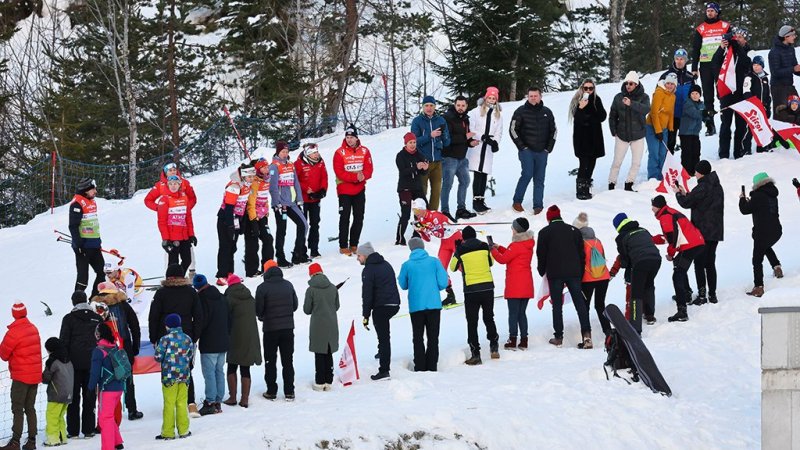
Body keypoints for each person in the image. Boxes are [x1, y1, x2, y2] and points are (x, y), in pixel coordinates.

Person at [149, 264, 203, 417]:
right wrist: (194, 336)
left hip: (165, 336)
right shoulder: (191, 292)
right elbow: (198, 316)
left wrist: (154, 338)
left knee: (168, 370)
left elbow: (153, 316)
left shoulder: (161, 293)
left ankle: (171, 404)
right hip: (186, 335)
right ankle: (190, 403)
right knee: (187, 369)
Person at [537, 206, 593, 349]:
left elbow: (541, 254)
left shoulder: (544, 232)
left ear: (549, 218)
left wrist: (541, 270)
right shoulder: (573, 231)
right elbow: (581, 254)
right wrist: (579, 272)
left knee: (557, 305)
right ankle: (587, 335)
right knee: (580, 304)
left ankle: (558, 337)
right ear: (560, 216)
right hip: (573, 272)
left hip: (555, 273)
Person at [91, 283, 143, 421]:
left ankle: (104, 414)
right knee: (127, 376)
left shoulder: (96, 307)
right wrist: (135, 346)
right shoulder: (122, 304)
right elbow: (134, 326)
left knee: (105, 380)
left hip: (103, 349)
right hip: (123, 347)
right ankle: (132, 409)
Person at [675, 160, 724, 304]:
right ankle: (712, 294)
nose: (694, 174)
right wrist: (687, 194)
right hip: (716, 230)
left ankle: (702, 295)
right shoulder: (717, 186)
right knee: (710, 263)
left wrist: (679, 194)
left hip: (702, 232)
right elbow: (699, 200)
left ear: (700, 172)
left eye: (696, 171)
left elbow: (686, 203)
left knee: (699, 263)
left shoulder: (702, 186)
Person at [651, 195, 706, 322]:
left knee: (677, 275)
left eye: (653, 206)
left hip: (690, 246)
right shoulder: (670, 212)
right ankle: (686, 294)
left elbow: (672, 239)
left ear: (657, 206)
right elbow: (670, 236)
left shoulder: (665, 216)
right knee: (678, 264)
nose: (651, 209)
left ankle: (682, 311)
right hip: (696, 242)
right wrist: (651, 239)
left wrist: (670, 254)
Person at [449, 226, 499, 364]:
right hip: (488, 287)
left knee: (472, 322)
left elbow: (452, 268)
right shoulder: (483, 246)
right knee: (489, 317)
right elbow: (491, 262)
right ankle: (494, 346)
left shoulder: (461, 249)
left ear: (463, 238)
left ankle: (475, 353)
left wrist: (457, 250)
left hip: (471, 289)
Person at [398, 237, 448, 371]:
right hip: (434, 305)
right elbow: (443, 282)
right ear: (423, 247)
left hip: (416, 306)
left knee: (418, 337)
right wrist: (433, 287)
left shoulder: (407, 265)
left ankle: (420, 366)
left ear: (411, 249)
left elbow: (403, 285)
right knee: (433, 337)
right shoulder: (434, 262)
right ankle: (432, 366)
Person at [59, 291, 102, 439]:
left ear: (73, 302)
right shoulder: (97, 318)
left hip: (73, 365)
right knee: (90, 396)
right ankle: (89, 429)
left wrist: (64, 360)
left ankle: (73, 430)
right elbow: (101, 340)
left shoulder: (69, 319)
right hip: (93, 363)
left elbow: (63, 341)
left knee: (74, 398)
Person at [144, 162, 198, 276]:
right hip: (170, 229)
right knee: (170, 256)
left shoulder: (184, 183)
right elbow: (148, 200)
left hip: (183, 227)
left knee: (188, 253)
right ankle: (170, 276)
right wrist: (160, 209)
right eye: (170, 171)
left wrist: (184, 208)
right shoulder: (160, 185)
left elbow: (192, 198)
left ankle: (189, 273)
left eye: (174, 170)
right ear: (165, 173)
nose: (173, 172)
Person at [0, 304, 42, 450]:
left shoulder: (14, 332)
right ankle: (32, 441)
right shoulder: (33, 328)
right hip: (35, 375)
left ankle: (15, 441)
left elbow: (3, 355)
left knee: (17, 408)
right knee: (30, 407)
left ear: (14, 314)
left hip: (20, 376)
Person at [255, 262, 298, 400]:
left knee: (270, 360)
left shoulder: (262, 288)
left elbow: (258, 310)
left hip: (270, 329)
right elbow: (295, 305)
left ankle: (271, 390)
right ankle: (289, 391)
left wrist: (263, 317)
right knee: (288, 361)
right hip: (287, 328)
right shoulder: (288, 285)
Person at [357, 242, 401, 380]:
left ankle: (384, 370)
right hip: (394, 304)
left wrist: (365, 315)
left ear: (365, 255)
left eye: (358, 256)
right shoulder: (386, 264)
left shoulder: (368, 270)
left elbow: (367, 294)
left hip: (382, 306)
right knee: (383, 335)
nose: (357, 258)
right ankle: (381, 352)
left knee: (384, 338)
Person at [612, 213, 662, 333]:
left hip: (640, 262)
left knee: (636, 292)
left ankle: (635, 325)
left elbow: (624, 260)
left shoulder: (621, 237)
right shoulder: (643, 230)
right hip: (656, 259)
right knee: (649, 285)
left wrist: (622, 266)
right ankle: (650, 315)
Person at [510, 87, 556, 214]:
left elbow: (554, 130)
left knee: (539, 178)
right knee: (527, 174)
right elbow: (513, 130)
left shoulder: (547, 112)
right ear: (527, 97)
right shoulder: (520, 111)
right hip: (527, 150)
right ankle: (517, 201)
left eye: (535, 95)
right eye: (531, 96)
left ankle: (538, 205)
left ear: (540, 96)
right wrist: (522, 147)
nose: (533, 98)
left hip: (542, 151)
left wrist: (548, 148)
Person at [489, 218, 534, 350]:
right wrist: (500, 247)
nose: (512, 230)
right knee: (522, 313)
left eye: (513, 228)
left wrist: (492, 250)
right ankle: (524, 340)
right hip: (526, 284)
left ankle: (512, 339)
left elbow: (503, 259)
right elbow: (511, 254)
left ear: (516, 230)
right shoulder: (528, 243)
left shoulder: (515, 246)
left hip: (515, 285)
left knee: (513, 314)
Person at [739, 172, 783, 297]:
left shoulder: (758, 196)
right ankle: (776, 267)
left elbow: (745, 210)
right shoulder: (772, 194)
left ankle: (758, 287)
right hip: (776, 231)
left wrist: (742, 199)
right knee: (765, 246)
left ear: (757, 184)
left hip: (763, 232)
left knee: (757, 260)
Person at [222, 269, 262, 407]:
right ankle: (244, 399)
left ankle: (232, 397)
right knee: (246, 368)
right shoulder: (250, 298)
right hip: (250, 337)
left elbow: (225, 318)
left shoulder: (228, 298)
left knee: (232, 366)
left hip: (234, 336)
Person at [333, 125, 374, 256]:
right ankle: (343, 245)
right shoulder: (339, 152)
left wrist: (363, 176)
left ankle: (354, 244)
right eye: (347, 137)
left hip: (360, 189)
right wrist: (356, 177)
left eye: (352, 137)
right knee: (344, 217)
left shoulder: (365, 151)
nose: (349, 140)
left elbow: (369, 169)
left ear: (357, 138)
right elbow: (339, 172)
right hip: (344, 189)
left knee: (359, 217)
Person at [690, 2, 730, 136]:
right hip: (705, 64)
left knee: (722, 93)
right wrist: (694, 67)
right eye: (708, 11)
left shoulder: (725, 26)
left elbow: (732, 45)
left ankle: (726, 119)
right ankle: (710, 124)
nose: (710, 13)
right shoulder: (700, 28)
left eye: (712, 11)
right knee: (707, 95)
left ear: (717, 12)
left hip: (720, 63)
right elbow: (695, 49)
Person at [712, 27, 752, 159]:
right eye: (736, 37)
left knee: (740, 125)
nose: (737, 39)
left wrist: (737, 47)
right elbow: (714, 63)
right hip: (727, 93)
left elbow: (747, 63)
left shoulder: (749, 51)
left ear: (745, 40)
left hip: (741, 94)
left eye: (740, 37)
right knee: (725, 125)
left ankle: (738, 152)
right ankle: (723, 153)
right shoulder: (727, 51)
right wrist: (721, 47)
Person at [411, 198, 460, 306]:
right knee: (440, 269)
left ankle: (474, 287)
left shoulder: (435, 216)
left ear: (423, 209)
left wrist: (427, 228)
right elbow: (428, 239)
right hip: (445, 243)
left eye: (417, 211)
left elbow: (440, 233)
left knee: (461, 266)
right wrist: (421, 231)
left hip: (455, 239)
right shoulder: (422, 220)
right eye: (414, 211)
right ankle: (450, 295)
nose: (416, 214)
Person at [608, 71, 651, 191]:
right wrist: (613, 130)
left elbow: (646, 109)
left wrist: (631, 103)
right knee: (617, 162)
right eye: (627, 83)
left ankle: (629, 184)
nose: (628, 85)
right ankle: (611, 184)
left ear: (636, 84)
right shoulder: (618, 97)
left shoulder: (644, 97)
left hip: (638, 135)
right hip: (621, 135)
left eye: (631, 83)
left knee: (636, 162)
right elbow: (612, 115)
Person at [269, 141, 310, 267]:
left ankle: (298, 253)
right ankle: (280, 258)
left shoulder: (291, 165)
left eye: (287, 152)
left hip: (292, 203)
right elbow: (273, 187)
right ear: (278, 152)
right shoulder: (274, 166)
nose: (285, 154)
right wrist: (278, 204)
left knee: (304, 225)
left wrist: (299, 198)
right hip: (282, 205)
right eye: (283, 152)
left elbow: (296, 182)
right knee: (282, 230)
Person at [215, 163, 256, 286]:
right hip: (225, 219)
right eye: (249, 176)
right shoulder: (235, 185)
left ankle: (230, 273)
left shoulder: (247, 185)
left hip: (236, 218)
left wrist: (241, 223)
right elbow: (229, 207)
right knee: (225, 246)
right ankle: (221, 275)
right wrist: (230, 225)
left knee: (232, 247)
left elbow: (242, 206)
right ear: (243, 176)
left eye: (252, 176)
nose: (251, 178)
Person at [154, 314, 194, 440]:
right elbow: (191, 355)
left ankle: (168, 433)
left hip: (169, 376)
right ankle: (184, 431)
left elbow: (158, 357)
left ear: (167, 325)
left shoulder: (165, 339)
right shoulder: (187, 338)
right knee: (182, 403)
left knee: (169, 403)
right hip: (184, 375)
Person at [194, 274, 229, 415]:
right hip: (223, 340)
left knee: (209, 373)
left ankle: (210, 401)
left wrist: (196, 336)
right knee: (219, 371)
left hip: (209, 341)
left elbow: (202, 321)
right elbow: (229, 317)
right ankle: (218, 400)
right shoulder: (221, 297)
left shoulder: (201, 299)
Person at [572, 213, 612, 337]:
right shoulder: (597, 241)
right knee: (600, 305)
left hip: (587, 279)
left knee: (585, 307)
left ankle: (586, 337)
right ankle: (608, 332)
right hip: (603, 277)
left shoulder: (579, 242)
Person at [303, 263, 340, 389]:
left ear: (311, 274)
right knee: (329, 352)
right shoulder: (333, 288)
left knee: (319, 353)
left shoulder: (311, 290)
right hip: (331, 323)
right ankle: (329, 380)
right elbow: (337, 306)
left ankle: (319, 382)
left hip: (317, 325)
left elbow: (307, 310)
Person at [88, 322, 125, 450]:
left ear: (98, 335)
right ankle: (117, 442)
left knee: (105, 418)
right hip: (119, 387)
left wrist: (90, 387)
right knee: (108, 415)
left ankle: (108, 447)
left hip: (106, 389)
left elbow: (95, 372)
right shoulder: (114, 347)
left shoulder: (99, 351)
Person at [411, 95, 451, 210]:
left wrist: (444, 135)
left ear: (435, 107)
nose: (429, 108)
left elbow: (447, 142)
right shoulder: (417, 121)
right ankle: (421, 218)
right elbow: (414, 141)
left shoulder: (440, 120)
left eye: (431, 106)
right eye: (426, 105)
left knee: (436, 192)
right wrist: (430, 135)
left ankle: (432, 216)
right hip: (423, 162)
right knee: (422, 192)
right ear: (423, 107)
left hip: (437, 162)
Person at [568, 78, 607, 200]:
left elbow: (602, 116)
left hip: (595, 137)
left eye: (591, 88)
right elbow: (577, 119)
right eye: (586, 88)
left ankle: (586, 187)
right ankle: (580, 190)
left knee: (592, 163)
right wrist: (581, 107)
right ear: (582, 88)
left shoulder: (597, 99)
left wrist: (593, 111)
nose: (588, 90)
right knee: (583, 163)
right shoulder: (576, 100)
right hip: (582, 138)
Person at [442, 95, 478, 220]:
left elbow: (465, 137)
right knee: (447, 184)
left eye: (463, 106)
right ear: (454, 105)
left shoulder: (466, 119)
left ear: (467, 106)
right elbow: (447, 139)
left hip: (462, 158)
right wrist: (466, 137)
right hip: (449, 157)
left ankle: (461, 209)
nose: (460, 108)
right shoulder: (447, 118)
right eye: (458, 105)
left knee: (465, 181)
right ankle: (444, 211)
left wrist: (470, 143)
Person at [468, 87, 504, 213]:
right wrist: (482, 136)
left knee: (484, 175)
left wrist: (495, 142)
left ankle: (481, 200)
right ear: (485, 97)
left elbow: (499, 131)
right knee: (478, 174)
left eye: (494, 98)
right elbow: (472, 128)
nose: (491, 100)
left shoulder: (498, 115)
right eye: (489, 97)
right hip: (478, 147)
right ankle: (475, 201)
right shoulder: (475, 112)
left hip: (488, 149)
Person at [69, 177, 105, 296]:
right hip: (83, 247)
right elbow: (73, 226)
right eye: (93, 189)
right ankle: (78, 303)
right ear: (86, 190)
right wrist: (79, 245)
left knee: (101, 272)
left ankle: (94, 299)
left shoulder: (92, 201)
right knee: (83, 278)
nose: (95, 192)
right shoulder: (77, 203)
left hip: (94, 245)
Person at [294, 143, 328, 258]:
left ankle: (314, 249)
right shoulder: (299, 163)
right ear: (308, 154)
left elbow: (324, 176)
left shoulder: (320, 162)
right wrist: (305, 188)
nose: (316, 155)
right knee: (303, 225)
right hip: (303, 199)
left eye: (317, 152)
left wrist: (323, 189)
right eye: (314, 153)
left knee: (315, 223)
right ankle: (301, 251)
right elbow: (295, 180)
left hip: (315, 198)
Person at [157, 175, 196, 275]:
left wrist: (191, 234)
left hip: (184, 236)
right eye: (170, 184)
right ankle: (170, 282)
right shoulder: (164, 199)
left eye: (175, 184)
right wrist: (165, 239)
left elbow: (188, 218)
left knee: (187, 260)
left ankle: (179, 279)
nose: (173, 186)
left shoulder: (184, 197)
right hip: (172, 238)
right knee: (173, 263)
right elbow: (162, 221)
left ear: (179, 185)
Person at [395, 133, 429, 245]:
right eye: (410, 143)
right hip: (405, 188)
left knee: (422, 209)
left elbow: (423, 172)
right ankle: (400, 238)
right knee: (406, 213)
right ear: (406, 143)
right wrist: (416, 167)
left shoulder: (419, 154)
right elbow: (403, 171)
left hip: (417, 187)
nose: (413, 145)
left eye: (414, 142)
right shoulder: (400, 155)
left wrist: (425, 168)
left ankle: (417, 233)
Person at [660, 48, 695, 153]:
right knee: (670, 142)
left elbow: (695, 95)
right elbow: (658, 95)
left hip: (685, 116)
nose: (679, 61)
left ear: (686, 60)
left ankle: (685, 167)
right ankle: (667, 167)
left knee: (687, 144)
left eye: (682, 59)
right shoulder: (665, 76)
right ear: (674, 59)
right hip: (671, 116)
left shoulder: (690, 77)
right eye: (677, 59)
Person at [245, 158, 275, 276]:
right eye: (263, 167)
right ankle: (251, 270)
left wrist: (266, 211)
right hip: (252, 216)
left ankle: (268, 266)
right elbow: (251, 202)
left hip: (262, 214)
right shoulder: (254, 181)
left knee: (268, 239)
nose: (266, 169)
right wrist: (253, 220)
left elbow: (264, 197)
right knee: (253, 242)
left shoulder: (266, 179)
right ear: (258, 169)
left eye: (267, 167)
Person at [42, 337, 73, 447]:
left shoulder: (52, 361)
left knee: (51, 416)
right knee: (60, 416)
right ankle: (62, 436)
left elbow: (46, 378)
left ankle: (52, 439)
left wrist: (42, 376)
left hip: (56, 394)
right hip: (68, 393)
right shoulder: (68, 358)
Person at [645, 73, 677, 180]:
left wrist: (671, 129)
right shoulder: (659, 93)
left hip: (664, 129)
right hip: (652, 126)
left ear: (675, 86)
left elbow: (670, 113)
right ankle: (653, 176)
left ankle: (662, 174)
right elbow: (654, 112)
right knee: (654, 152)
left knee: (663, 153)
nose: (669, 86)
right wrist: (658, 130)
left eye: (672, 84)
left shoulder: (672, 96)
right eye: (667, 83)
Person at [768, 25, 800, 118]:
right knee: (781, 115)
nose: (795, 37)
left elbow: (795, 67)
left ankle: (793, 132)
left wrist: (797, 70)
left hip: (789, 86)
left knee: (796, 111)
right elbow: (775, 72)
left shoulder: (791, 49)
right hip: (778, 88)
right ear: (786, 37)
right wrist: (793, 69)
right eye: (793, 35)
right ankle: (777, 133)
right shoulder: (774, 52)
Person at [743, 56, 772, 154]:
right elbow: (746, 92)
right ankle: (746, 149)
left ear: (762, 66)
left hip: (763, 107)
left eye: (758, 65)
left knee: (762, 127)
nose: (756, 67)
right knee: (751, 128)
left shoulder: (765, 78)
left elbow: (768, 94)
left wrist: (768, 107)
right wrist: (754, 104)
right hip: (753, 108)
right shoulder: (749, 77)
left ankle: (761, 147)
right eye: (754, 65)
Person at [679, 85, 705, 175]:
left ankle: (695, 171)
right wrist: (704, 113)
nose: (694, 95)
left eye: (697, 93)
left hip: (695, 133)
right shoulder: (687, 103)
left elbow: (703, 116)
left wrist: (709, 115)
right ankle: (686, 172)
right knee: (687, 153)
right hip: (686, 133)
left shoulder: (701, 105)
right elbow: (694, 113)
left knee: (696, 151)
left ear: (700, 95)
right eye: (692, 93)